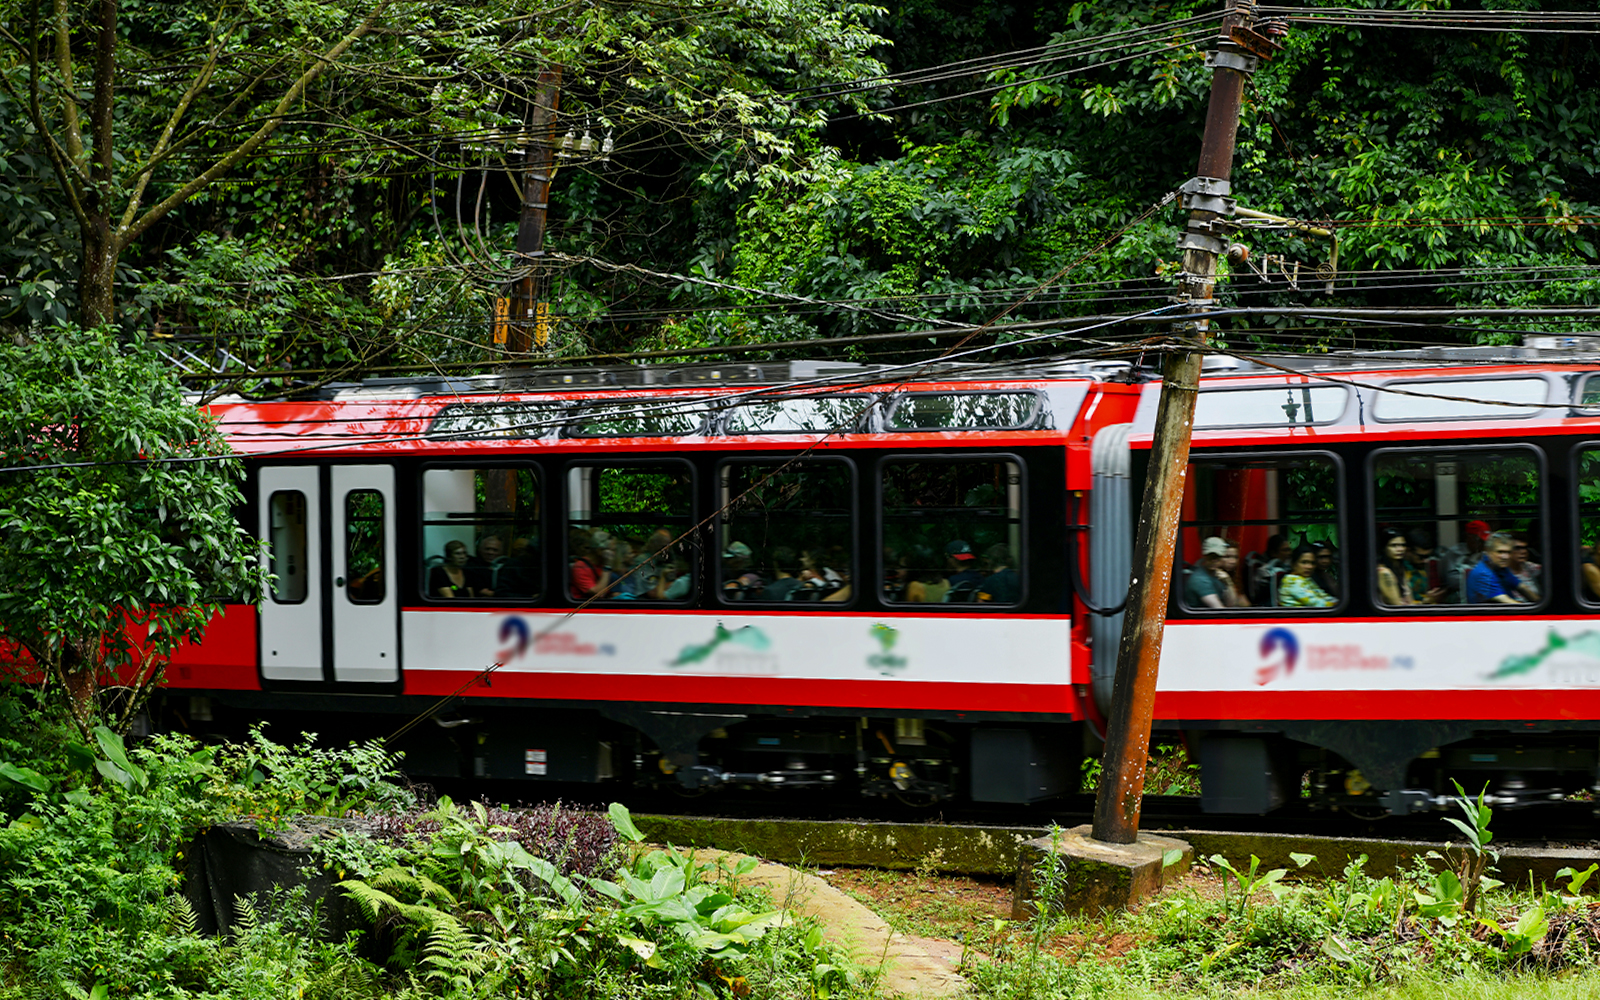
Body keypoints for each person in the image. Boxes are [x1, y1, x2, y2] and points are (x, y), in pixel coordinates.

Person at [1466, 532, 1535, 604]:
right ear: (1488, 551)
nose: (1505, 557)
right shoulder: (1483, 573)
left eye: (1508, 552)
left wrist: (1540, 602)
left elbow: (1522, 588)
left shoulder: (1499, 567)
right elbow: (1510, 604)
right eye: (1500, 552)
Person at [1184, 536, 1234, 609]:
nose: (1214, 560)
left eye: (1217, 557)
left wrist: (1229, 583)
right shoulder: (1200, 580)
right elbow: (1219, 610)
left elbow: (1232, 605)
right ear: (1204, 556)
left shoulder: (1218, 574)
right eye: (1210, 556)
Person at [569, 530, 618, 601]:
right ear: (599, 551)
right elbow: (598, 594)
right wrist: (608, 566)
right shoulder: (580, 567)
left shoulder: (601, 565)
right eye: (611, 550)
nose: (614, 554)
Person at [1402, 529, 1446, 604]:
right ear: (1408, 551)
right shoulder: (1400, 570)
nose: (1425, 560)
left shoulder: (1422, 568)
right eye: (1421, 557)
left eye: (1428, 556)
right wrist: (1425, 601)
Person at [1375, 529, 1414, 606]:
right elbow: (1397, 607)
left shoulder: (1400, 568)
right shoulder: (1384, 572)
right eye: (1393, 545)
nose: (1400, 549)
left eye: (1403, 545)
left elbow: (1410, 602)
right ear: (1384, 547)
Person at [1509, 535, 1542, 599]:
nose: (1524, 552)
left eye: (1525, 548)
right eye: (1517, 548)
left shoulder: (1529, 567)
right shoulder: (1498, 572)